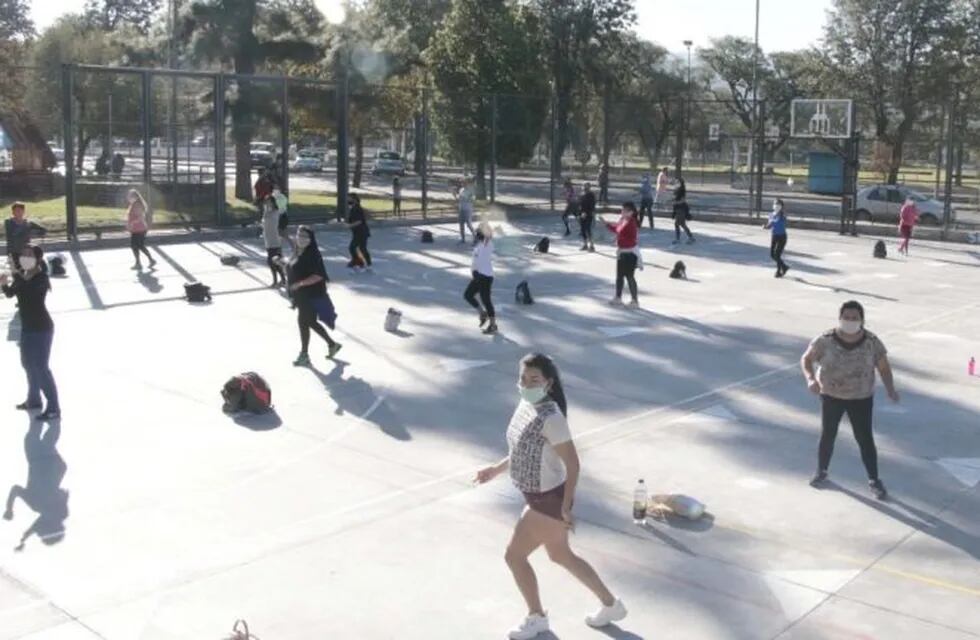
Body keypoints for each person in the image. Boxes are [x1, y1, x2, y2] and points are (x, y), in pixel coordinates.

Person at [474, 353, 628, 639]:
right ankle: (611, 605)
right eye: (523, 378)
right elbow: (522, 449)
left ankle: (536, 617)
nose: (526, 383)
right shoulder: (525, 404)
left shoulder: (552, 418)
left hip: (547, 500)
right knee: (561, 555)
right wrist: (495, 469)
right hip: (538, 495)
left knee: (514, 556)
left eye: (534, 379)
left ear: (548, 383)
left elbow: (574, 464)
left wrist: (566, 507)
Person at [800, 300, 899, 500]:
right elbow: (806, 359)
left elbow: (884, 367)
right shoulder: (825, 340)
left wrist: (890, 388)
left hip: (860, 398)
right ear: (840, 318)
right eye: (846, 317)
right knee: (828, 434)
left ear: (862, 320)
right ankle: (822, 471)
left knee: (864, 439)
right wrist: (810, 379)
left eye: (855, 318)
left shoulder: (872, 342)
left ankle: (874, 480)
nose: (850, 321)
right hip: (831, 395)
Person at [2, 244, 60, 421]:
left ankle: (54, 408)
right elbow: (12, 293)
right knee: (27, 364)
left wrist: (16, 274)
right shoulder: (23, 276)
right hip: (27, 328)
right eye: (23, 254)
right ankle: (34, 400)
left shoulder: (41, 277)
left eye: (29, 255)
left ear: (38, 259)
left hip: (42, 329)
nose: (24, 257)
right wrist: (4, 284)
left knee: (41, 368)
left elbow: (29, 293)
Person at [287, 226, 342, 366]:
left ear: (311, 239)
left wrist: (299, 284)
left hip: (310, 295)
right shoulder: (298, 251)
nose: (301, 238)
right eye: (299, 235)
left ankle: (304, 354)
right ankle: (332, 345)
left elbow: (318, 276)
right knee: (309, 322)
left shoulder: (313, 254)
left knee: (303, 323)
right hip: (301, 296)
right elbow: (294, 267)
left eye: (305, 236)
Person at [603, 202, 641, 308]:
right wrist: (607, 224)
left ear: (631, 212)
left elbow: (620, 232)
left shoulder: (631, 222)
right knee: (619, 277)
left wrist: (617, 235)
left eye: (625, 210)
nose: (622, 212)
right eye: (622, 210)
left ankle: (635, 300)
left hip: (630, 253)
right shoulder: (623, 220)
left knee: (629, 276)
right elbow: (616, 230)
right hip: (622, 252)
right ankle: (618, 298)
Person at [463, 221, 497, 335]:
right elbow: (475, 261)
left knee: (486, 300)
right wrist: (473, 272)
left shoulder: (488, 244)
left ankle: (493, 325)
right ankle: (482, 314)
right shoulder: (478, 246)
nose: (476, 234)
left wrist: (486, 227)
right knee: (468, 295)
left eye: (479, 232)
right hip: (478, 276)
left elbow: (488, 236)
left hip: (486, 276)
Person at [5, 203, 47, 271]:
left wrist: (33, 232)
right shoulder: (8, 222)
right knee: (17, 273)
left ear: (23, 211)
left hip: (26, 252)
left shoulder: (28, 223)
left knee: (32, 270)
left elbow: (43, 230)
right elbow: (13, 235)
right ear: (12, 212)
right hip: (13, 252)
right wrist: (25, 227)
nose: (18, 212)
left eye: (20, 210)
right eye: (16, 211)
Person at [125, 190, 156, 271]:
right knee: (136, 246)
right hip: (137, 229)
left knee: (138, 246)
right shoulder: (134, 204)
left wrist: (131, 223)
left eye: (129, 196)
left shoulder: (137, 204)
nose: (128, 198)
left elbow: (140, 217)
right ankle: (143, 262)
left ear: (134, 197)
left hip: (139, 228)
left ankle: (145, 261)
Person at [261, 194, 286, 287]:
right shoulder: (266, 212)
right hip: (268, 240)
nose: (267, 203)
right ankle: (279, 280)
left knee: (274, 261)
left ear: (273, 202)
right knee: (271, 262)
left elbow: (270, 221)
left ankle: (281, 280)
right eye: (266, 202)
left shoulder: (275, 212)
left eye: (269, 201)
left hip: (274, 240)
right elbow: (264, 224)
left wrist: (266, 211)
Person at [346, 193, 372, 272]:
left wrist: (349, 226)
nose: (348, 200)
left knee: (354, 247)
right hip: (358, 232)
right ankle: (359, 261)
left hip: (361, 232)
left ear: (354, 199)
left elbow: (359, 221)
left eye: (349, 199)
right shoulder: (353, 208)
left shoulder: (357, 208)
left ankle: (360, 261)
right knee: (360, 248)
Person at [764, 198, 789, 277]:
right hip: (774, 236)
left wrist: (773, 220)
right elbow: (770, 225)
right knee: (772, 255)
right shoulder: (771, 215)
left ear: (781, 206)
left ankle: (779, 271)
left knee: (777, 255)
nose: (776, 206)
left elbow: (781, 222)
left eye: (778, 205)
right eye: (775, 204)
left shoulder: (782, 215)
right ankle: (784, 267)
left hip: (782, 237)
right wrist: (765, 226)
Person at [671, 177, 695, 245]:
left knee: (678, 224)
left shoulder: (682, 190)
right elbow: (676, 198)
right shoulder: (677, 190)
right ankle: (690, 237)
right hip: (677, 209)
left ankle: (679, 239)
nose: (675, 183)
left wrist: (676, 202)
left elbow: (683, 200)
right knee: (681, 224)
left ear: (680, 183)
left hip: (681, 209)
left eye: (677, 182)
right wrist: (672, 200)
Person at [456, 179, 476, 243]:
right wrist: (454, 195)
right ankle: (463, 239)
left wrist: (466, 198)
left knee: (468, 224)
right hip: (461, 209)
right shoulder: (461, 190)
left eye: (464, 183)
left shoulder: (470, 190)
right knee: (461, 224)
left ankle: (475, 236)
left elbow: (472, 199)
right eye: (462, 183)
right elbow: (459, 199)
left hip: (468, 209)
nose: (463, 184)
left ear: (467, 183)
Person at [578, 183, 597, 252]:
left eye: (586, 186)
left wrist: (589, 213)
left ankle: (592, 246)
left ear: (589, 187)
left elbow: (592, 206)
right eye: (583, 186)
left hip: (589, 214)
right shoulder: (582, 194)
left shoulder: (591, 195)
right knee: (582, 230)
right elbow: (580, 204)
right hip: (582, 214)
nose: (584, 187)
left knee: (588, 230)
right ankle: (585, 245)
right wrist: (580, 213)